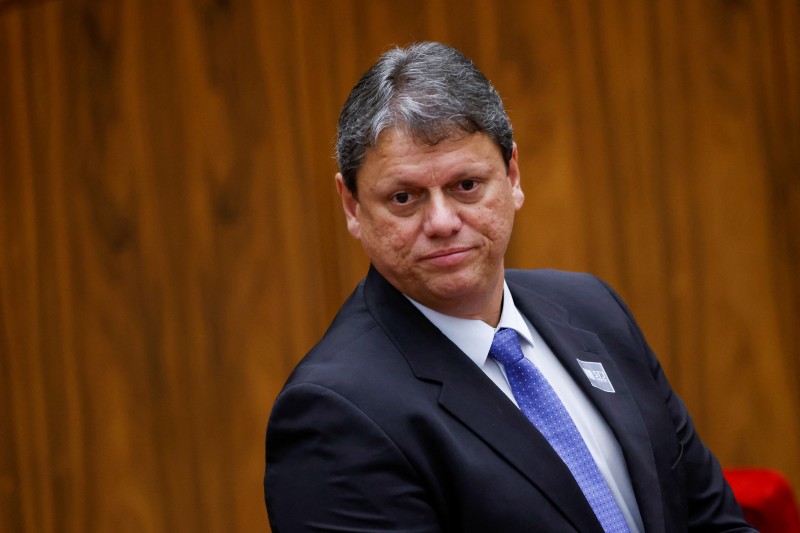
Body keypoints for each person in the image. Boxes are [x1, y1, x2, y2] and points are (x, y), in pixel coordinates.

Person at [264, 41, 753, 532]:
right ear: (352, 206)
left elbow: (711, 519)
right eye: (404, 197)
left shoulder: (594, 309)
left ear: (512, 175)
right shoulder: (333, 413)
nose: (442, 222)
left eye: (466, 185)